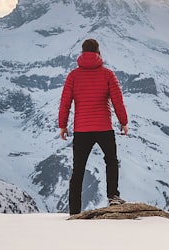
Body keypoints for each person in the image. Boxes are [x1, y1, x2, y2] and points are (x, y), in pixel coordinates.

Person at [58, 38, 129, 215]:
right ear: (98, 53)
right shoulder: (108, 74)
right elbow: (117, 101)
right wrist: (124, 122)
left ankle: (74, 210)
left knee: (78, 168)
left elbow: (65, 103)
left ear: (82, 53)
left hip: (82, 130)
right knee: (111, 160)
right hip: (104, 127)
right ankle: (113, 196)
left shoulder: (73, 76)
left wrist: (63, 125)